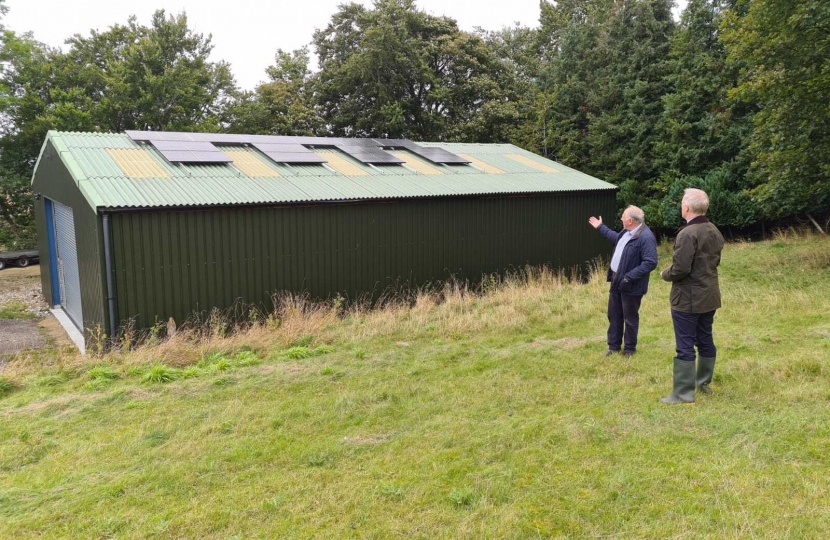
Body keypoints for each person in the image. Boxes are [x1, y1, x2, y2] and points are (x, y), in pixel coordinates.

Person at [659, 188, 725, 404]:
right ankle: (702, 383)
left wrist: (664, 274)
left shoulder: (687, 233)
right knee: (705, 337)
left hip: (688, 298)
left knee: (685, 344)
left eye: (681, 203)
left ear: (686, 207)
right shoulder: (713, 229)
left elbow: (680, 269)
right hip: (709, 294)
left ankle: (682, 393)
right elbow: (714, 262)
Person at [588, 206, 658, 358]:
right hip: (616, 280)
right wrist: (600, 227)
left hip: (631, 285)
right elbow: (615, 239)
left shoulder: (645, 237)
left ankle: (629, 350)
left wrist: (628, 277)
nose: (621, 218)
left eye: (623, 216)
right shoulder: (626, 232)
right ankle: (613, 347)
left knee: (630, 318)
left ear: (630, 221)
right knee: (614, 315)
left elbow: (650, 262)